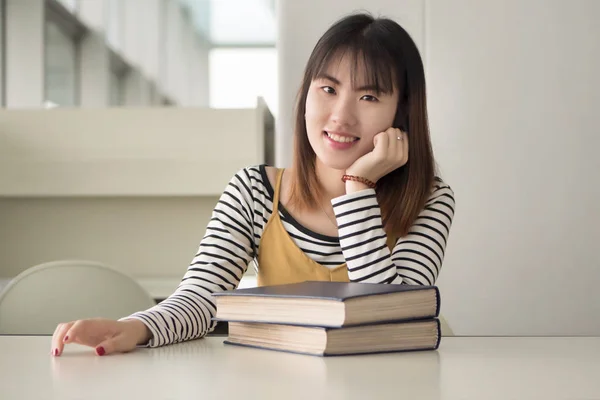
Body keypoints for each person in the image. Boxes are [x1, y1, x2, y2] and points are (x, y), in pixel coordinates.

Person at [51, 12, 455, 357]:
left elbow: (395, 318)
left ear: (401, 112)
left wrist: (359, 186)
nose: (341, 116)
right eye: (328, 89)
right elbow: (201, 298)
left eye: (368, 98)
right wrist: (136, 328)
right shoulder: (254, 191)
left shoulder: (429, 200)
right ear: (306, 94)